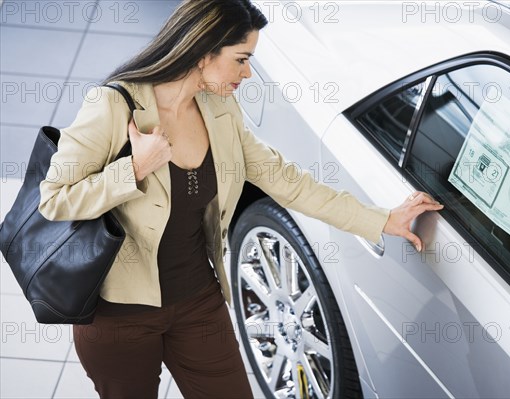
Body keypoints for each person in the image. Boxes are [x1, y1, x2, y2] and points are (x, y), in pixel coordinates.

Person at [38, 0, 443, 397]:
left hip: (198, 302)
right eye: (241, 59)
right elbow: (54, 199)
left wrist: (379, 219)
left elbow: (287, 180)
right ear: (201, 51)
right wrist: (134, 169)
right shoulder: (113, 104)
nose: (248, 73)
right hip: (119, 316)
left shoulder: (220, 107)